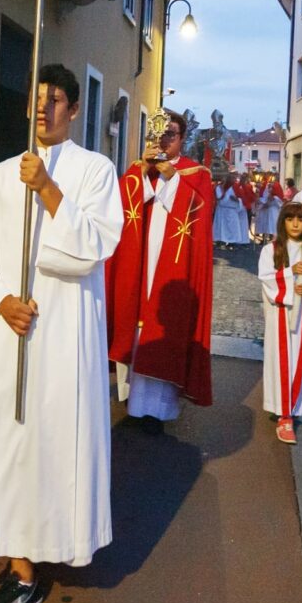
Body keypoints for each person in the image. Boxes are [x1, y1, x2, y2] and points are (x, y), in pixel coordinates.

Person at [0, 64, 123, 603]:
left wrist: (50, 191)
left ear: (74, 110)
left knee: (56, 440)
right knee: (11, 439)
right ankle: (21, 566)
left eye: (57, 99)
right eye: (38, 98)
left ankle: (58, 538)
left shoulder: (96, 171)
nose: (45, 107)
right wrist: (2, 300)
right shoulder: (1, 176)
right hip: (14, 334)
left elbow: (95, 247)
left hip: (67, 334)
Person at [107, 109, 213, 429]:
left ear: (182, 139)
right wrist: (142, 173)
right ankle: (130, 398)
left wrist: (170, 177)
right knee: (135, 322)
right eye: (159, 134)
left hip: (172, 264)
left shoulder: (196, 174)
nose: (164, 140)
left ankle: (157, 411)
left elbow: (200, 210)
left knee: (164, 325)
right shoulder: (138, 170)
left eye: (171, 134)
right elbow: (121, 205)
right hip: (139, 260)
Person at [257, 201, 302, 444]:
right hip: (280, 315)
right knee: (280, 363)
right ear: (283, 222)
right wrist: (290, 273)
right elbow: (267, 279)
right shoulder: (272, 250)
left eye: (301, 219)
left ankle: (293, 409)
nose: (296, 224)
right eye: (290, 219)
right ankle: (283, 414)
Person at [213, 174, 242, 248]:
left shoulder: (235, 188)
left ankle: (232, 243)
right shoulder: (219, 187)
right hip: (222, 210)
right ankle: (221, 241)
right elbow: (219, 197)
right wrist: (222, 189)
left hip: (232, 210)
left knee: (232, 227)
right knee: (221, 227)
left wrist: (236, 199)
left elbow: (241, 198)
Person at [255, 173, 283, 242]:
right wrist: (262, 202)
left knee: (273, 225)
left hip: (273, 210)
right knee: (265, 224)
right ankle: (264, 239)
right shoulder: (267, 185)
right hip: (266, 210)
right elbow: (264, 196)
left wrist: (272, 198)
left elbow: (278, 198)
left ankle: (273, 239)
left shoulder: (277, 185)